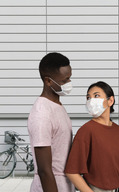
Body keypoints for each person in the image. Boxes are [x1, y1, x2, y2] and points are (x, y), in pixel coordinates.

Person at [65, 81, 119, 192]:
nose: (91, 101)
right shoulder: (87, 130)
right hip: (95, 188)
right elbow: (71, 171)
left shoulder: (118, 130)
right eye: (88, 98)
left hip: (116, 188)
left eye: (96, 96)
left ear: (110, 101)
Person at [27, 52, 75, 192]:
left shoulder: (57, 106)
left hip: (65, 184)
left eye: (70, 78)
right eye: (64, 80)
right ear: (48, 81)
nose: (69, 84)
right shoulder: (42, 113)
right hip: (50, 186)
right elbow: (44, 170)